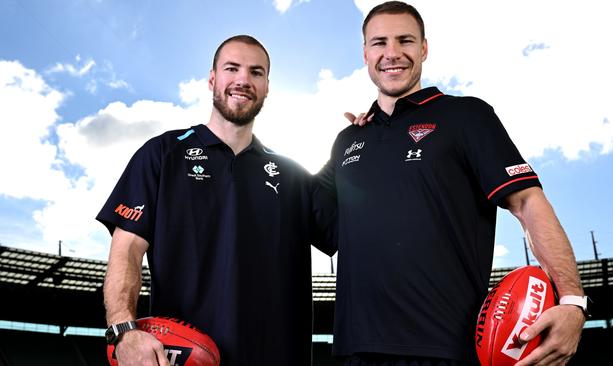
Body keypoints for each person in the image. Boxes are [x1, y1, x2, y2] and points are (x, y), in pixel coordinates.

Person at [318, 2, 587, 365]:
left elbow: (527, 202)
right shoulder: (347, 140)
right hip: (354, 352)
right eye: (379, 42)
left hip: (447, 349)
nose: (392, 53)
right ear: (365, 53)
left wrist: (572, 300)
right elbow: (297, 205)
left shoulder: (466, 115)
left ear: (424, 48)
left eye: (405, 40)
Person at [98, 35, 337, 366]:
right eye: (232, 68)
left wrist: (360, 142)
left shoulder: (294, 176)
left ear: (267, 86)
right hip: (182, 359)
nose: (243, 79)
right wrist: (123, 330)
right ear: (212, 78)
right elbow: (126, 250)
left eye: (256, 72)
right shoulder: (162, 154)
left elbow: (351, 228)